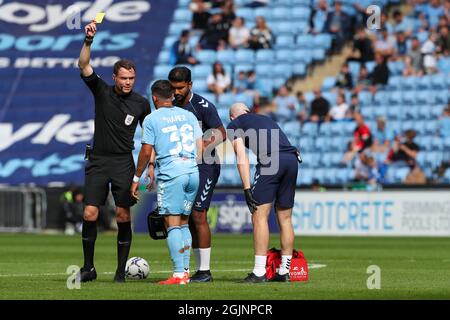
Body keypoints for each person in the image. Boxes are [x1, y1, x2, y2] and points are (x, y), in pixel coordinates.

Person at [77, 21, 151, 283]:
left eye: (132, 78)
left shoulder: (142, 103)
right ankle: (89, 268)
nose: (128, 82)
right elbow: (84, 65)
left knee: (122, 215)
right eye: (124, 78)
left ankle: (121, 271)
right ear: (114, 78)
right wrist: (88, 41)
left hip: (123, 163)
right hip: (98, 160)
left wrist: (150, 166)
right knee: (90, 213)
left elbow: (149, 136)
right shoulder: (102, 91)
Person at [130, 80, 203, 285]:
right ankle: (186, 271)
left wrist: (137, 177)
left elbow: (145, 150)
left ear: (154, 98)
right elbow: (201, 146)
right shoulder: (189, 115)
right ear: (172, 95)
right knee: (183, 223)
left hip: (172, 174)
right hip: (192, 172)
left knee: (171, 225)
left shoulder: (152, 119)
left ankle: (179, 274)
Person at [227, 103, 300, 282]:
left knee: (259, 216)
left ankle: (259, 272)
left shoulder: (234, 125)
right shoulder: (265, 118)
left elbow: (242, 157)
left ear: (232, 117)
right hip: (291, 159)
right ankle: (284, 271)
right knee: (285, 218)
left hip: (271, 161)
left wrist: (246, 188)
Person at [168, 66, 226, 282]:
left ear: (190, 85)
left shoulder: (202, 106)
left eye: (180, 87)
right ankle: (189, 268)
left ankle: (205, 271)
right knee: (186, 217)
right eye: (173, 87)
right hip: (183, 166)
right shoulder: (170, 106)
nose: (176, 92)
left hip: (206, 165)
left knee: (198, 215)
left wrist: (202, 147)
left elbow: (222, 132)